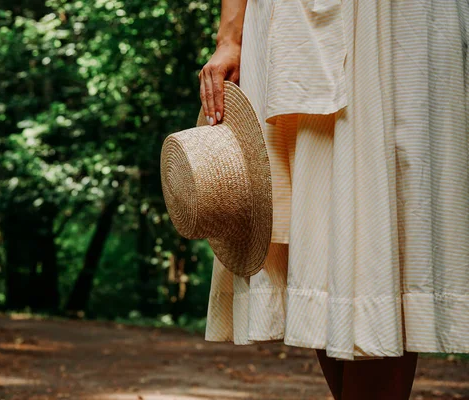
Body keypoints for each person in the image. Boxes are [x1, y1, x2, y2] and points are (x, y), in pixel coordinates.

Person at [198, 1, 468, 399]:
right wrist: (229, 38)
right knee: (318, 247)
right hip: (286, 23)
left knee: (381, 239)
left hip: (396, 20)